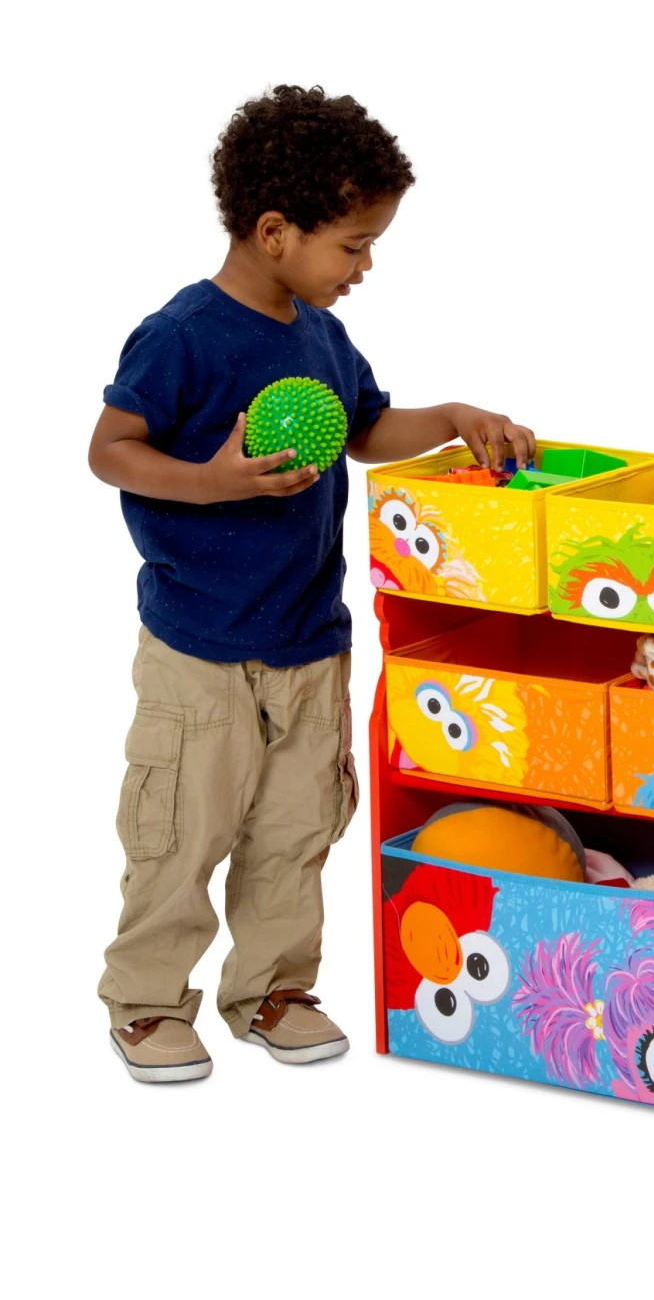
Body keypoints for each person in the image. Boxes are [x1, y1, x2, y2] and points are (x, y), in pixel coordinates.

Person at [88, 84, 535, 1082]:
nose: (365, 265)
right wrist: (209, 480)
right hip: (200, 645)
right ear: (274, 231)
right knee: (180, 830)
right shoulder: (183, 333)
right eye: (354, 244)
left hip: (306, 639)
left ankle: (272, 989)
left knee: (295, 829)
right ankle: (147, 1002)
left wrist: (453, 416)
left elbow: (367, 427)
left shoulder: (319, 334)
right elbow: (110, 448)